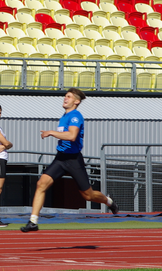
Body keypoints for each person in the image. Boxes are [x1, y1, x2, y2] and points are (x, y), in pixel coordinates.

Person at [21, 89, 118, 232]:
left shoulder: (75, 116)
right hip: (60, 158)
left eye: (69, 97)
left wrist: (51, 132)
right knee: (41, 184)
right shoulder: (64, 116)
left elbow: (72, 136)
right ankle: (33, 222)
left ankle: (109, 202)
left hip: (73, 159)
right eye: (65, 96)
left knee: (88, 195)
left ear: (76, 101)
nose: (65, 98)